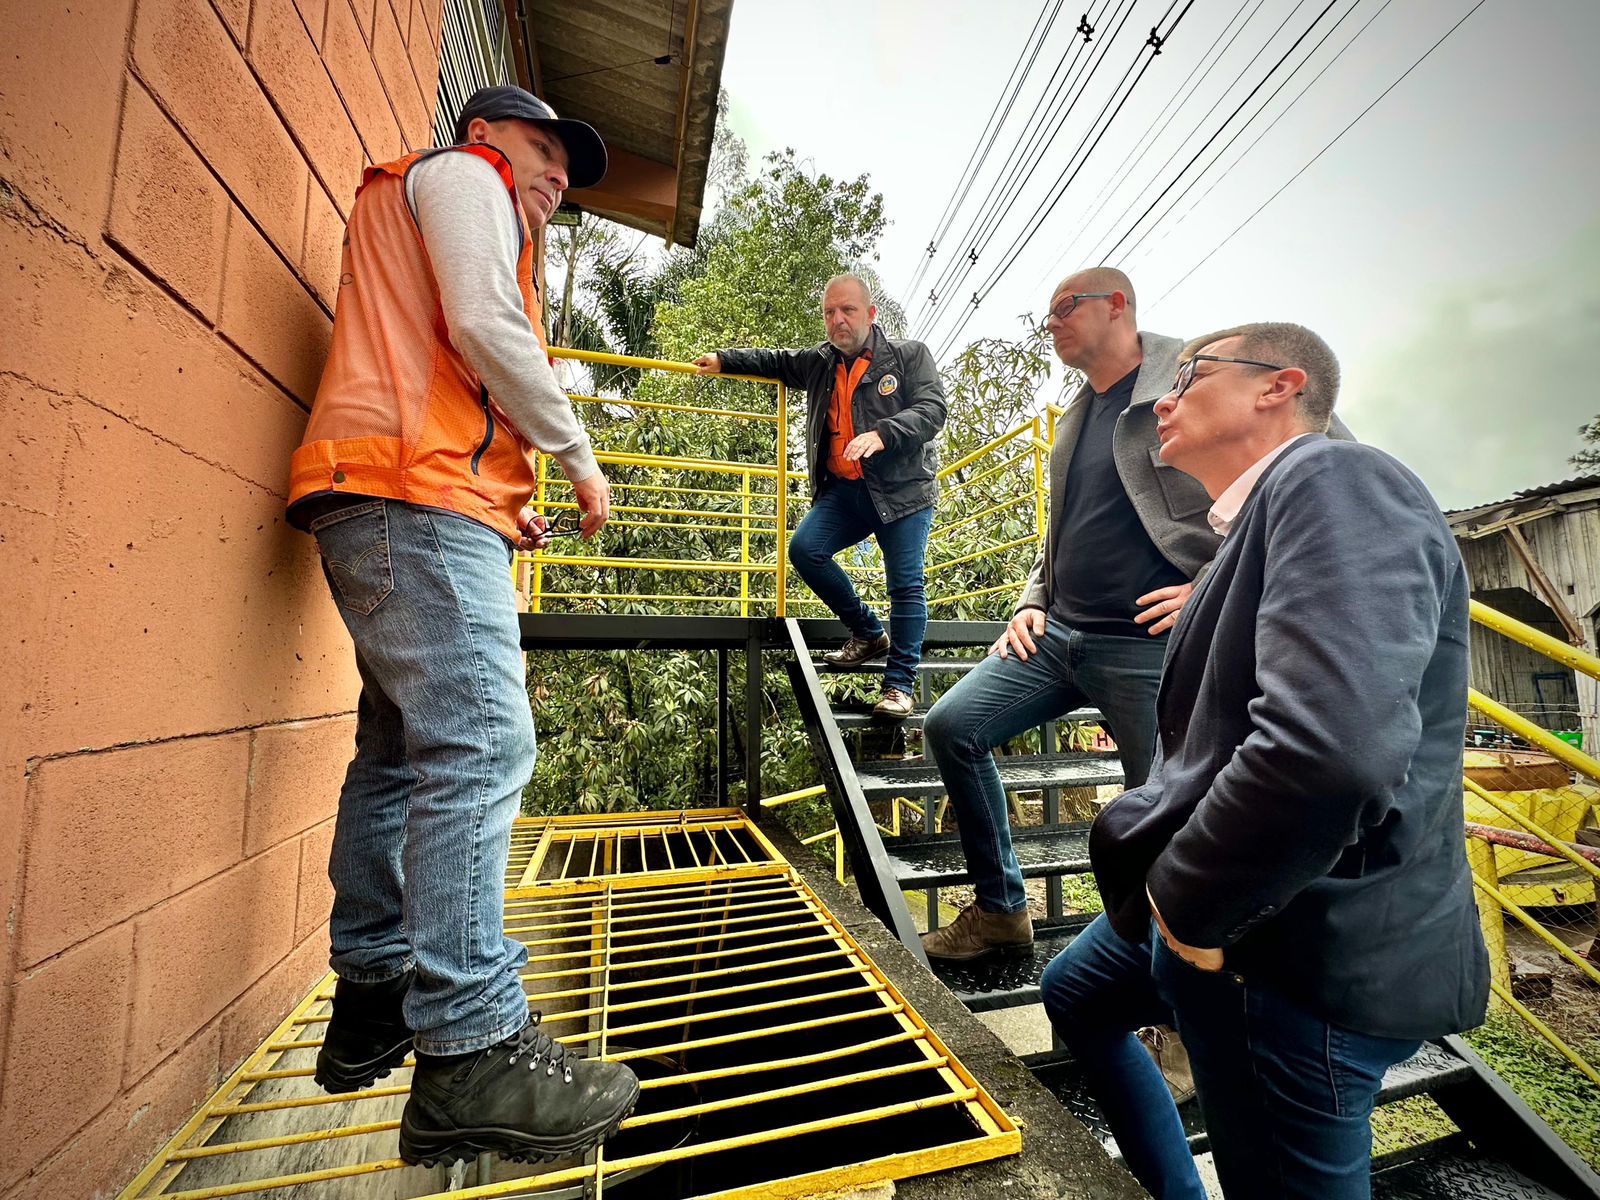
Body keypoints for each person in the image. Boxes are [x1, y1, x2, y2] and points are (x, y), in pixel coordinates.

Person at [1040, 323, 1489, 1200]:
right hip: (1228, 917)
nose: (1162, 398)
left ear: (1278, 388)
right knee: (1078, 992)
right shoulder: (1238, 535)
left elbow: (1330, 749)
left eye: (1191, 375)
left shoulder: (1338, 477)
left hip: (1295, 946)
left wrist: (1187, 910)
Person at [285, 85, 638, 1166]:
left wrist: (502, 493)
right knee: (483, 743)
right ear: (487, 136)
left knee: (397, 753)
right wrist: (575, 456)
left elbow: (440, 361)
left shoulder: (441, 201)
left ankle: (376, 994)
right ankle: (470, 1046)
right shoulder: (462, 177)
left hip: (403, 495)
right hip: (408, 500)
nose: (554, 182)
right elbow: (482, 323)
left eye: (565, 178)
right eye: (544, 153)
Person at [919, 267, 1211, 962]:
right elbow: (1062, 533)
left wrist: (1213, 585)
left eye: (1062, 308)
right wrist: (1031, 601)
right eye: (1046, 313)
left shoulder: (1196, 377)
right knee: (951, 726)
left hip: (1148, 648)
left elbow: (1291, 475)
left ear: (1117, 305)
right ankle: (1001, 913)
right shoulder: (1076, 414)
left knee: (1161, 817)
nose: (1049, 323)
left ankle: (1169, 991)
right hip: (1059, 638)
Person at [693, 275, 947, 718]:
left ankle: (899, 685)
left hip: (903, 492)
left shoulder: (909, 356)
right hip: (846, 491)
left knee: (905, 584)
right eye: (830, 312)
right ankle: (868, 633)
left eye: (847, 311)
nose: (838, 320)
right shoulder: (821, 363)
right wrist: (724, 360)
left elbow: (932, 410)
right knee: (806, 549)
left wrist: (883, 434)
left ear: (870, 314)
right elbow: (774, 360)